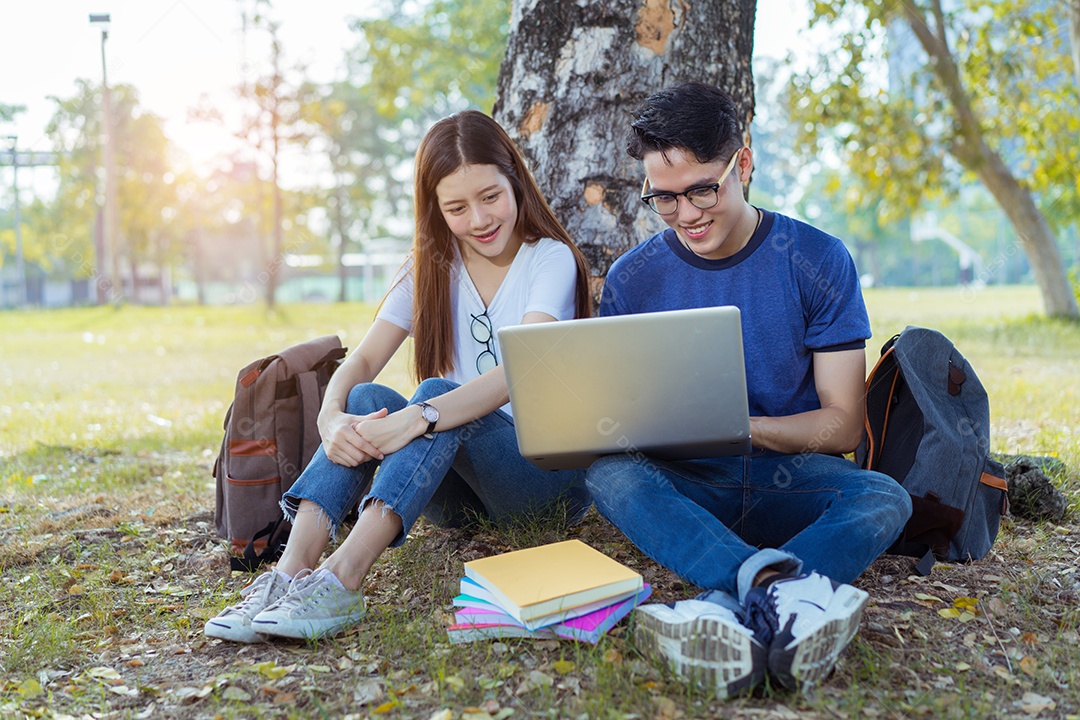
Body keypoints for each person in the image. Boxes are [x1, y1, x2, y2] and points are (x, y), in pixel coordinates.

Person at [204, 110, 593, 643]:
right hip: (462, 496)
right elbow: (361, 362)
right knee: (364, 395)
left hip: (540, 479)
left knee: (435, 393)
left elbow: (517, 373)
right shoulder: (428, 266)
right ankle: (288, 571)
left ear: (515, 183)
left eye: (490, 197)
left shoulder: (549, 259)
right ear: (435, 209)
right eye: (457, 207)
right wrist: (332, 414)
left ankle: (342, 580)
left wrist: (420, 416)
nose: (479, 219)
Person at [586, 82, 912, 695]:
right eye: (665, 199)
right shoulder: (634, 279)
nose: (687, 215)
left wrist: (744, 428)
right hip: (689, 482)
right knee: (611, 475)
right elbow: (619, 416)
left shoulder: (818, 259)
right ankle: (778, 595)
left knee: (885, 498)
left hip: (787, 477)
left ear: (744, 162)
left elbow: (842, 423)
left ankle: (720, 607)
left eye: (703, 189)